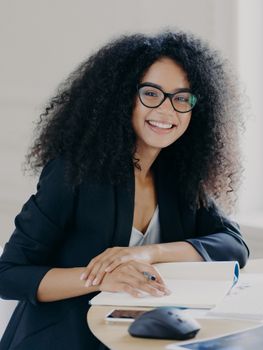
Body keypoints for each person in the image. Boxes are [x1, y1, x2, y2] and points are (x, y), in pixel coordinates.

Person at [0, 30, 249, 349]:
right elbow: (9, 275)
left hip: (136, 339)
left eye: (181, 98)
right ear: (122, 97)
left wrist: (149, 252)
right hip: (63, 339)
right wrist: (100, 278)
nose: (167, 110)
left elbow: (234, 246)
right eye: (151, 93)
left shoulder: (179, 176)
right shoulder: (72, 172)